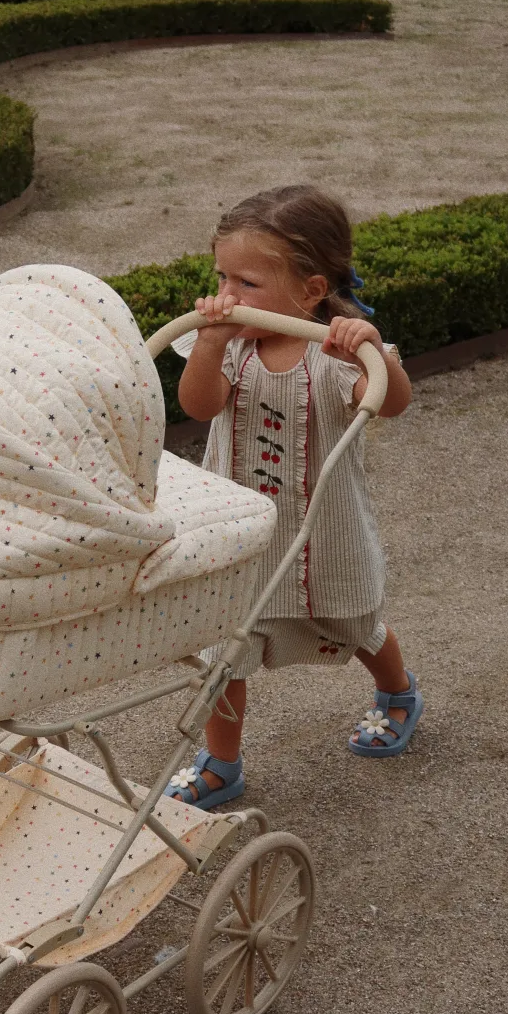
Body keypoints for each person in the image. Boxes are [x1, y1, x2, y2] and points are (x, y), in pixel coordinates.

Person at [166, 184, 423, 810]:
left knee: (355, 623)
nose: (227, 295)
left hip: (324, 530)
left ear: (310, 290)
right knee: (224, 649)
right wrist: (210, 342)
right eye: (222, 277)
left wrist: (370, 352)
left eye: (247, 283)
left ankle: (398, 692)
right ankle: (221, 763)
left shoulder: (337, 352)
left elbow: (392, 402)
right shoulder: (232, 344)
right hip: (241, 534)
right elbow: (197, 406)